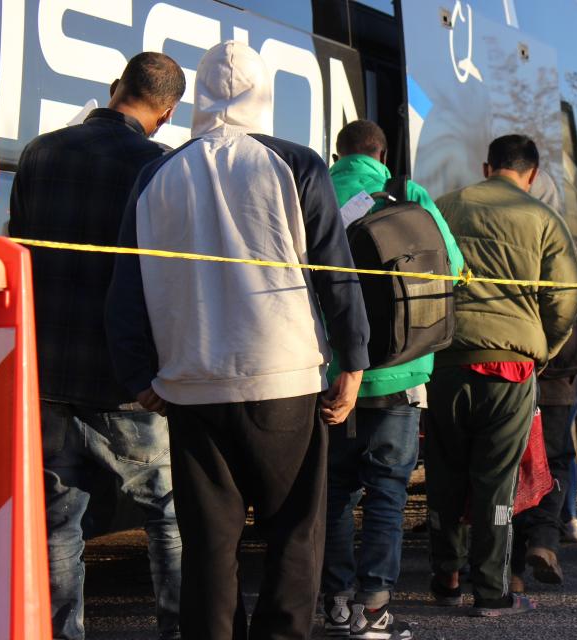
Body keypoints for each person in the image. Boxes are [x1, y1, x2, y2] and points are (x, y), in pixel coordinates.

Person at [105, 41, 370, 639]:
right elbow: (337, 271)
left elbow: (125, 285)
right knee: (294, 535)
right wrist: (352, 361)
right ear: (265, 94)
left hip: (191, 386)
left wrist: (138, 375)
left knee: (208, 546)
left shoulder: (155, 173)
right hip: (283, 380)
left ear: (198, 96)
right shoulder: (297, 164)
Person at [8, 52, 185, 640]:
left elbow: (19, 258)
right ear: (166, 112)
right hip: (125, 382)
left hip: (50, 377)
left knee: (60, 524)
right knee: (167, 514)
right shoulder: (157, 166)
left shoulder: (39, 152)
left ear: (114, 89)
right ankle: (178, 627)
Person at [425, 134, 577, 616]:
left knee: (445, 472)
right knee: (496, 478)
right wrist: (542, 350)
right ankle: (492, 591)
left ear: (486, 165)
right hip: (511, 366)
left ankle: (446, 577)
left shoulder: (444, 206)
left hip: (444, 359)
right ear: (532, 174)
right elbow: (567, 295)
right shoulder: (543, 218)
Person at [321, 120, 463, 639]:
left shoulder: (311, 188)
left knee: (334, 493)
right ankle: (375, 610)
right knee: (387, 493)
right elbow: (455, 265)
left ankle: (335, 606)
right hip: (399, 374)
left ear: (337, 153)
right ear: (381, 153)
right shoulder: (407, 194)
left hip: (329, 374)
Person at [509, 173, 577, 592]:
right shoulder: (566, 245)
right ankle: (546, 540)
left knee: (510, 464)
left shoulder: (515, 236)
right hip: (560, 376)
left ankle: (509, 568)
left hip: (514, 368)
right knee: (556, 458)